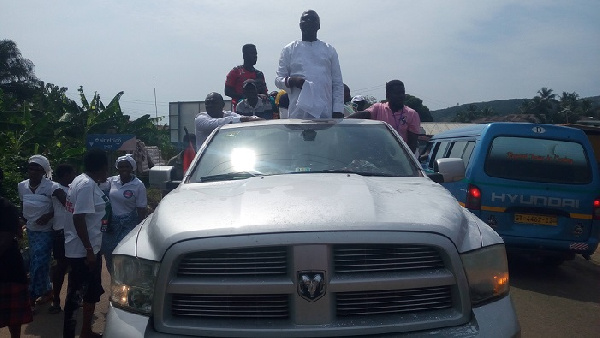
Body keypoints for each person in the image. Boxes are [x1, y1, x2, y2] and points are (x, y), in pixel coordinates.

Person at [63, 149, 109, 338]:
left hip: (90, 249)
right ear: (103, 168)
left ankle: (85, 331)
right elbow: (79, 218)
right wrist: (89, 250)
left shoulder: (84, 181)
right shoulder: (85, 186)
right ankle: (70, 334)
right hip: (83, 251)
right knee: (76, 296)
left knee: (90, 292)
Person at [275, 10, 344, 119]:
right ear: (300, 25)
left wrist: (338, 110)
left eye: (313, 20)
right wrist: (292, 81)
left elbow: (337, 83)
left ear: (318, 26)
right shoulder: (289, 49)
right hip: (298, 113)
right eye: (305, 19)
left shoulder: (329, 50)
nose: (308, 22)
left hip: (325, 113)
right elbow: (278, 80)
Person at [18, 155, 54, 311]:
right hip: (31, 230)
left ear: (43, 171)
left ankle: (31, 296)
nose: (32, 171)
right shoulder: (22, 186)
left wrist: (48, 215)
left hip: (46, 231)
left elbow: (59, 207)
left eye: (36, 169)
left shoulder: (51, 187)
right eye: (30, 168)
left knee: (38, 261)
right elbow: (22, 205)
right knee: (38, 262)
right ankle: (48, 290)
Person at [101, 154, 147, 274]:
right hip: (111, 223)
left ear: (132, 168)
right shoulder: (112, 181)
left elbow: (142, 209)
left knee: (124, 253)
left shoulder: (138, 185)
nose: (124, 169)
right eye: (121, 167)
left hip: (129, 224)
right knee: (109, 252)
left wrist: (139, 229)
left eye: (127, 166)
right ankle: (114, 279)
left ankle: (126, 281)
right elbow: (100, 190)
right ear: (117, 168)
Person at [0, 171, 33, 338]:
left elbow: (5, 241)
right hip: (10, 268)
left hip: (8, 268)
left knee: (13, 316)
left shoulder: (5, 207)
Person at [349, 80, 421, 153]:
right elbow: (364, 114)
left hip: (400, 157)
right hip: (378, 155)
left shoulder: (412, 114)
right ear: (388, 95)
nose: (401, 96)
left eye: (402, 93)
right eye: (397, 93)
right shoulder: (378, 108)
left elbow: (412, 144)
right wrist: (342, 120)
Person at [48, 163, 77, 315]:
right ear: (65, 175)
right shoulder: (56, 188)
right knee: (60, 268)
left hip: (73, 232)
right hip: (61, 233)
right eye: (72, 173)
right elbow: (68, 204)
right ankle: (56, 299)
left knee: (73, 267)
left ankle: (72, 299)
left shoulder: (73, 188)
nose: (74, 176)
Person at [195, 92, 262, 148]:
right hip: (206, 160)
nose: (210, 105)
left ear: (222, 104)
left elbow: (245, 118)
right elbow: (216, 124)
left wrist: (259, 120)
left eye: (213, 102)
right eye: (207, 103)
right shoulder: (200, 119)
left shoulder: (229, 115)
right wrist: (242, 119)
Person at [225, 44, 267, 110]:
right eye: (252, 54)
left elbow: (264, 93)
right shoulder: (235, 72)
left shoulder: (259, 74)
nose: (255, 56)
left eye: (256, 54)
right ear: (244, 55)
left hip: (258, 109)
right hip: (240, 109)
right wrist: (245, 97)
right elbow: (227, 91)